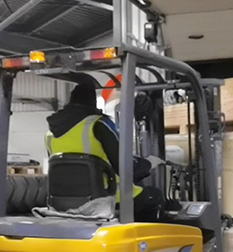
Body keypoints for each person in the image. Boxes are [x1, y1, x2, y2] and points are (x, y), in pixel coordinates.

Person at [45, 83, 165, 222]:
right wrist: (148, 163)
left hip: (63, 204)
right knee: (155, 197)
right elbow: (124, 168)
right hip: (107, 200)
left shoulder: (50, 134)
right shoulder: (98, 124)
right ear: (92, 102)